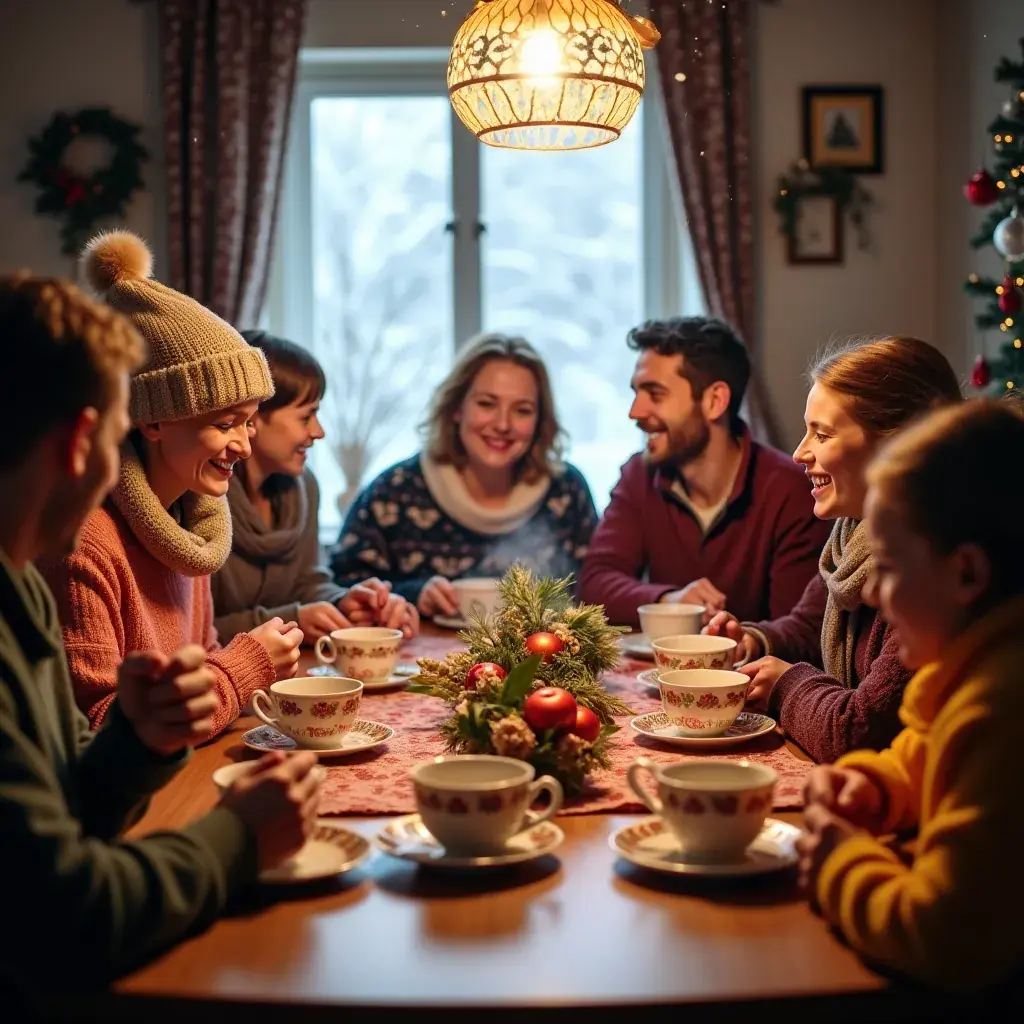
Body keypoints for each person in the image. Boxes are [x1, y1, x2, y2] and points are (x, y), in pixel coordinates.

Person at [0, 271, 322, 992]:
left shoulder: (17, 582)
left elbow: (61, 808)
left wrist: (136, 740)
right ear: (91, 438)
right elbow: (64, 914)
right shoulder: (66, 552)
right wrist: (238, 838)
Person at [798, 399, 1024, 993]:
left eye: (892, 566)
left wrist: (839, 862)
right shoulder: (962, 672)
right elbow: (923, 753)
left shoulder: (1001, 707)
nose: (873, 587)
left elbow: (946, 937)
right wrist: (875, 785)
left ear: (966, 574)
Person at [42, 231, 301, 737]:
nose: (245, 446)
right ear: (154, 420)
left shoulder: (189, 519)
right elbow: (99, 726)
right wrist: (244, 668)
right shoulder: (85, 544)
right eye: (225, 423)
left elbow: (200, 659)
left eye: (249, 422)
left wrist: (252, 675)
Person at [706, 337, 963, 762]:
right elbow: (808, 629)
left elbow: (859, 730)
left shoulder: (928, 566)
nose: (798, 453)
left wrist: (785, 685)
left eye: (822, 435)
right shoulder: (853, 537)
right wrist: (751, 643)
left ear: (896, 444)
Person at [579, 317, 830, 626]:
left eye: (655, 394)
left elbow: (799, 632)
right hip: (658, 672)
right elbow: (593, 585)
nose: (635, 412)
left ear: (714, 401)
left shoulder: (790, 490)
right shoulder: (638, 474)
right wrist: (669, 601)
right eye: (636, 393)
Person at [331, 333, 598, 619]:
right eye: (486, 404)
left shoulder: (567, 491)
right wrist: (414, 593)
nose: (503, 424)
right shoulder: (394, 492)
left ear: (540, 421)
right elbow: (341, 589)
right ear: (457, 408)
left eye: (522, 410)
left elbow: (596, 589)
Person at [212, 330, 418, 642]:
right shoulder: (201, 496)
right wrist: (292, 621)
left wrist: (343, 601)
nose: (318, 432)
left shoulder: (303, 486)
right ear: (253, 415)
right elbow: (190, 632)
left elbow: (306, 585)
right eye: (307, 417)